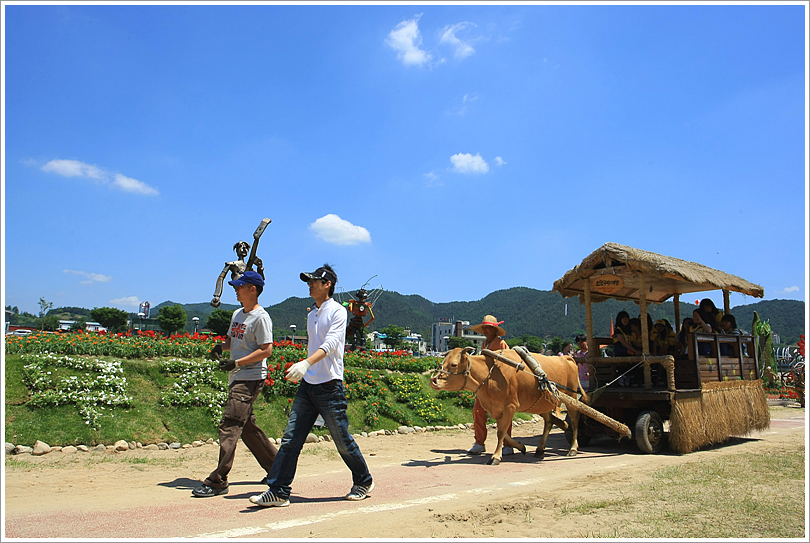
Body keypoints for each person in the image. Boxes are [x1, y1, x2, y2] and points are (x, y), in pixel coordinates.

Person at [250, 264, 374, 507]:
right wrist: (306, 369)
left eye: (314, 281)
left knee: (342, 440)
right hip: (308, 386)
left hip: (330, 386)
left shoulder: (338, 311)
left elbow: (329, 346)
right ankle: (278, 490)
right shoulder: (311, 314)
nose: (310, 284)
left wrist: (305, 364)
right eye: (308, 280)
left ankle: (363, 480)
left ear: (327, 284)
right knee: (291, 439)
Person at [193, 270, 278, 497]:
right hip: (237, 376)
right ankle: (277, 468)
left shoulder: (261, 317)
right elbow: (233, 340)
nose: (235, 289)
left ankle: (218, 480)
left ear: (253, 289)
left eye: (240, 286)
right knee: (247, 427)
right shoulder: (238, 314)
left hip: (250, 377)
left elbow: (266, 350)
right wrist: (221, 348)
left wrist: (237, 362)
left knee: (230, 425)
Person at [467, 315, 513, 456]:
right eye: (484, 328)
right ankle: (479, 443)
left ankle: (508, 444)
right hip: (485, 385)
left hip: (499, 386)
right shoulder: (484, 344)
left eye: (488, 328)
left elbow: (508, 364)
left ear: (494, 330)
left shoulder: (501, 344)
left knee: (505, 413)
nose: (485, 330)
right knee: (478, 411)